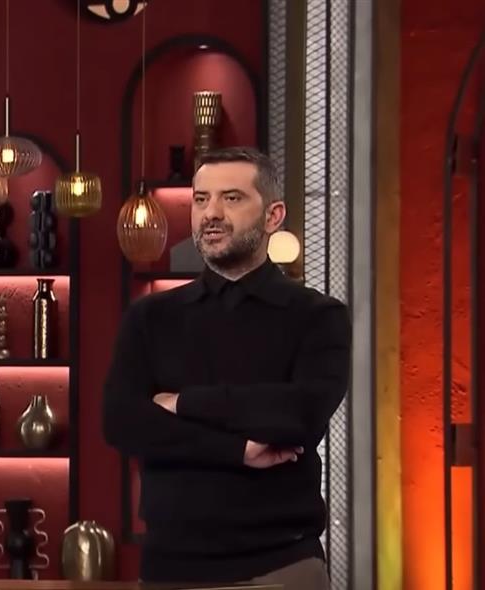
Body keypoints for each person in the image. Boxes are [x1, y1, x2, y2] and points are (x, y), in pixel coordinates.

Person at [102, 146, 351, 590]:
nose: (211, 213)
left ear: (273, 216)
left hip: (280, 566)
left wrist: (181, 403)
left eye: (232, 198)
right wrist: (236, 449)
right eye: (201, 199)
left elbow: (298, 415)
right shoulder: (151, 317)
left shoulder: (317, 316)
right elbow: (123, 422)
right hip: (169, 568)